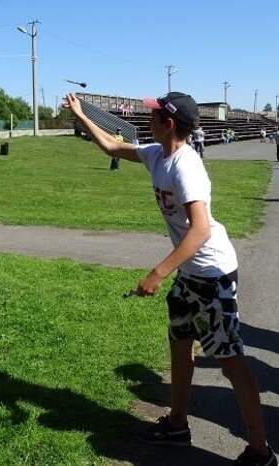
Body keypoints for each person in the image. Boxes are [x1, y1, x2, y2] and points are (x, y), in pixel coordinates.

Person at [63, 91, 277, 466]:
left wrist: (159, 272)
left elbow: (201, 230)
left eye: (156, 114)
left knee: (230, 362)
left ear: (170, 123)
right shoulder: (155, 153)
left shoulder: (186, 167)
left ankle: (260, 451)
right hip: (190, 275)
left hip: (212, 275)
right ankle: (178, 425)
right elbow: (112, 147)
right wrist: (83, 115)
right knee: (180, 344)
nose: (150, 118)